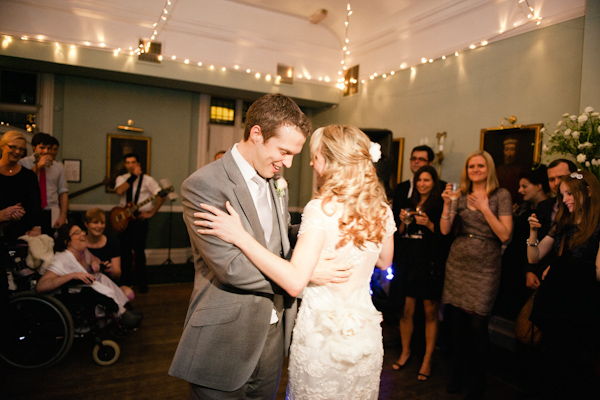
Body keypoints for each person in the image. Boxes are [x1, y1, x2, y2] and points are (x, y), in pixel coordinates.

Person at [195, 124, 395, 399]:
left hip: (322, 336)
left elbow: (294, 281)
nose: (311, 162)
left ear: (332, 160)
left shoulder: (321, 209)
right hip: (365, 333)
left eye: (316, 156)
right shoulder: (382, 210)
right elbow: (384, 260)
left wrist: (241, 236)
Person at [169, 93, 315, 399]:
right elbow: (231, 268)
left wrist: (319, 228)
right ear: (257, 133)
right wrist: (296, 278)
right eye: (284, 152)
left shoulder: (275, 181)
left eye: (294, 155)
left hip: (272, 334)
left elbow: (277, 240)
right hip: (225, 336)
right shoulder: (205, 184)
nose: (287, 163)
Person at [440, 150, 513, 399]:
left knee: (478, 325)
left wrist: (484, 208)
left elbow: (505, 235)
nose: (476, 170)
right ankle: (457, 373)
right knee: (457, 324)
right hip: (458, 263)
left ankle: (478, 378)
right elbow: (445, 229)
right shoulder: (461, 195)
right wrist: (448, 204)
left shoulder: (501, 195)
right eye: (472, 166)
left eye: (481, 166)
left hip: (486, 267)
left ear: (488, 168)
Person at [527, 170, 600, 399]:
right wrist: (532, 232)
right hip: (555, 299)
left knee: (576, 359)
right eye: (562, 195)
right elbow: (534, 256)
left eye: (569, 193)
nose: (565, 199)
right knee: (551, 356)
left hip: (581, 301)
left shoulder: (597, 225)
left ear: (587, 191)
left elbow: (598, 272)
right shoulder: (564, 223)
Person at [393, 165, 450, 381]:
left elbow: (445, 237)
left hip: (430, 264)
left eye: (427, 180)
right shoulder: (408, 203)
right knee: (406, 311)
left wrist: (429, 224)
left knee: (429, 312)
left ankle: (427, 359)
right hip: (409, 263)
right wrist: (401, 221)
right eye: (419, 180)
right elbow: (400, 234)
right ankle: (405, 351)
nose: (422, 184)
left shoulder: (439, 205)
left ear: (434, 183)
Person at [36, 223, 142, 330]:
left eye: (82, 231)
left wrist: (94, 262)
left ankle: (121, 311)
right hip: (74, 295)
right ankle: (120, 313)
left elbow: (95, 259)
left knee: (101, 277)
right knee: (97, 283)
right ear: (67, 242)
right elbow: (41, 286)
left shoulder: (84, 252)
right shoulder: (63, 259)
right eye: (77, 233)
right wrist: (72, 275)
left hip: (87, 289)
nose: (83, 233)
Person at [495, 165, 553, 319]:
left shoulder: (548, 211)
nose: (520, 190)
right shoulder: (526, 206)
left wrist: (531, 269)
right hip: (513, 264)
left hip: (525, 265)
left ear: (539, 186)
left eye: (524, 186)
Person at [390, 145, 438, 315]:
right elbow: (396, 224)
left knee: (429, 309)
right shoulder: (402, 189)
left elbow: (443, 231)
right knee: (404, 307)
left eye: (421, 159)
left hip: (428, 258)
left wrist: (429, 224)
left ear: (430, 163)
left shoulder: (439, 195)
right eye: (413, 158)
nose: (416, 162)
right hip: (405, 254)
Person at [114, 153, 165, 293]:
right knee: (124, 251)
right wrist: (133, 177)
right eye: (128, 162)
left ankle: (142, 284)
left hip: (139, 220)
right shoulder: (122, 178)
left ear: (138, 164)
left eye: (133, 162)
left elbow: (162, 194)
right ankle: (125, 283)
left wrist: (152, 212)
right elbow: (119, 191)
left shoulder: (148, 180)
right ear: (125, 164)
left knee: (139, 252)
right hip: (124, 218)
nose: (130, 165)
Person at [524, 158, 577, 290]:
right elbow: (535, 247)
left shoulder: (589, 214)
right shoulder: (544, 206)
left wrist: (556, 267)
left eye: (561, 177)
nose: (556, 183)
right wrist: (530, 270)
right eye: (551, 179)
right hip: (543, 274)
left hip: (573, 278)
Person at [19, 132, 69, 234]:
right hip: (30, 212)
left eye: (49, 148)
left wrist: (63, 216)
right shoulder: (23, 163)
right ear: (34, 147)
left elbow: (63, 192)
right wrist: (38, 165)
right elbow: (23, 184)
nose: (46, 151)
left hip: (51, 212)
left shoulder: (58, 167)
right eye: (42, 147)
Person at [0, 131, 42, 243]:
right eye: (13, 147)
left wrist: (36, 227)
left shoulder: (28, 176)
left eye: (21, 149)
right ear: (2, 146)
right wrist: (2, 215)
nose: (17, 152)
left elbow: (35, 205)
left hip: (22, 234)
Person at [84, 208, 134, 301]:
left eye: (102, 223)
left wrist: (110, 270)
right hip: (88, 284)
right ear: (86, 224)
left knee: (129, 294)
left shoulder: (111, 243)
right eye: (95, 222)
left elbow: (117, 274)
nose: (99, 226)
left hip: (109, 282)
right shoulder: (81, 243)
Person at [496, 137, 523, 204]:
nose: (509, 154)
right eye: (506, 150)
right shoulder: (499, 169)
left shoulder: (520, 169)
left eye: (512, 149)